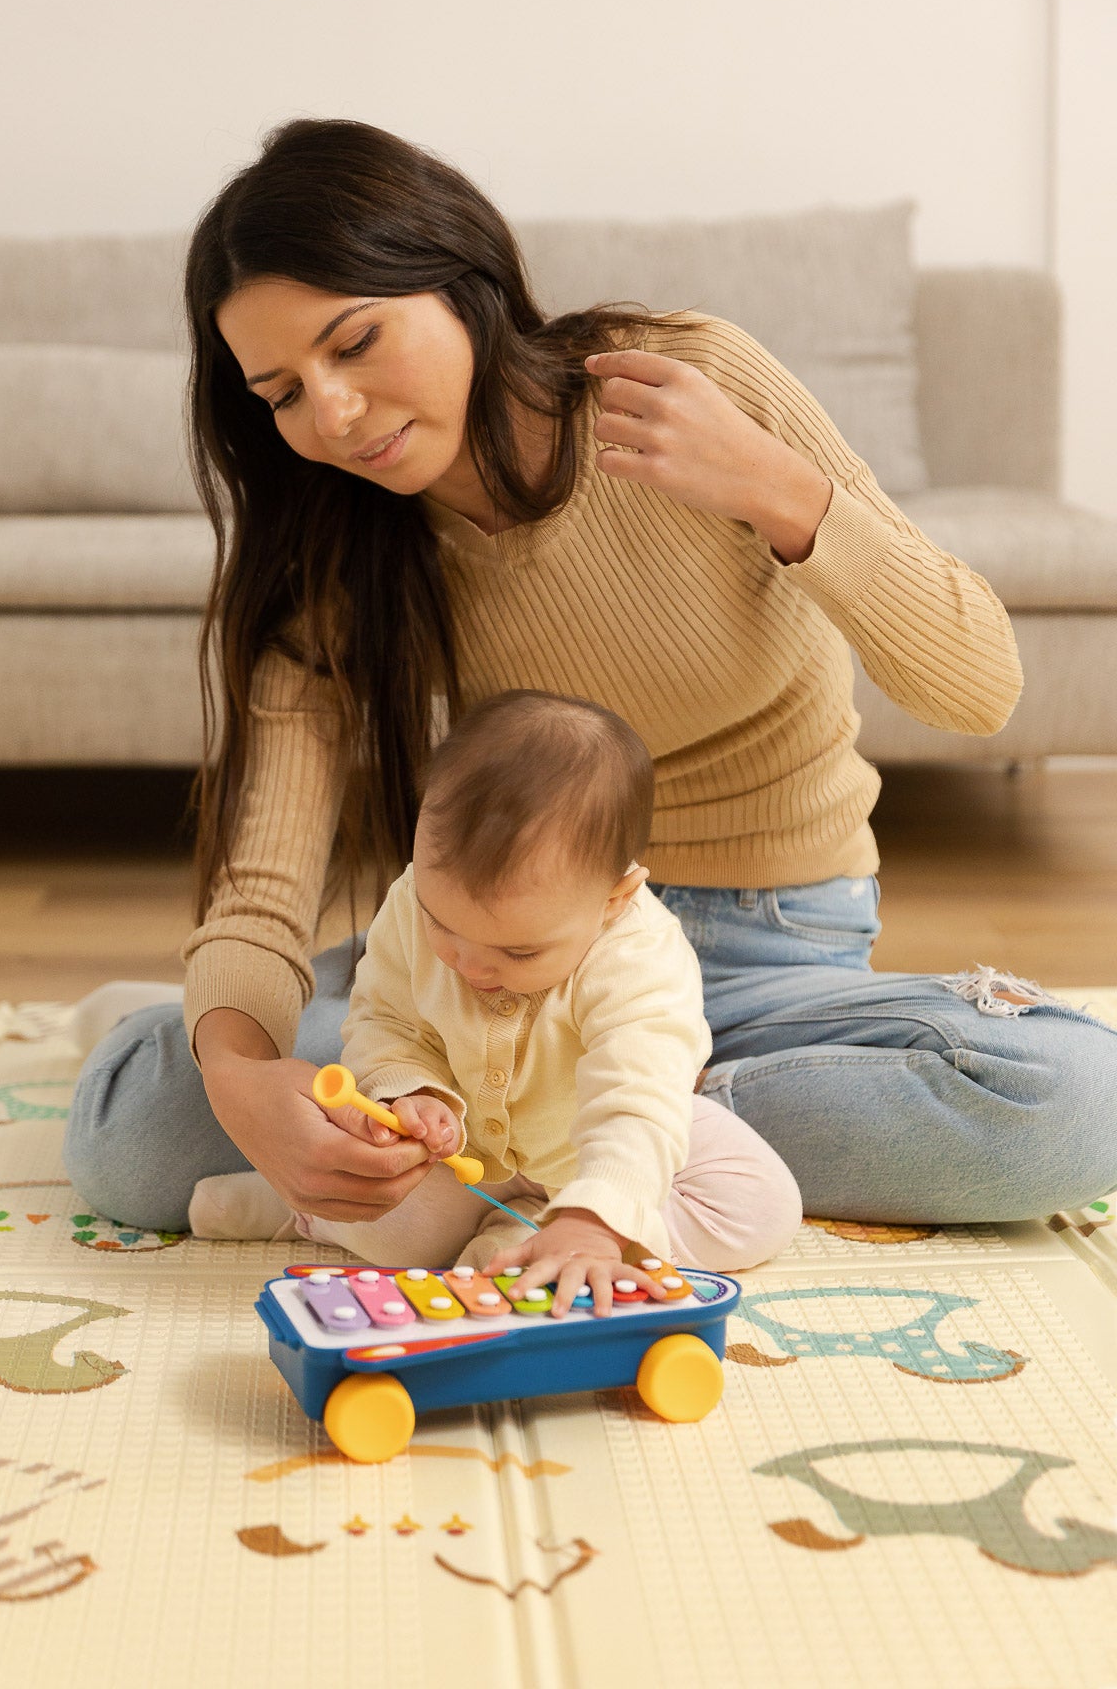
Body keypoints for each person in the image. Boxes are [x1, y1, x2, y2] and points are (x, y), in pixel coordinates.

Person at [63, 117, 1117, 1246]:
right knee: (141, 1133)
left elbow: (979, 688)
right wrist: (237, 1073)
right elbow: (263, 879)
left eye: (356, 342)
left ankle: (551, 1142)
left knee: (1069, 1099)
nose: (331, 414)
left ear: (459, 276)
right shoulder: (334, 551)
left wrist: (783, 491)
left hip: (770, 953)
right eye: (281, 394)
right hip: (489, 963)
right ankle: (589, 1140)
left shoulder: (688, 380)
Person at [202, 688, 804, 1312]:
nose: (468, 966)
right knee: (401, 1228)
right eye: (442, 924)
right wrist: (411, 1091)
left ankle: (545, 1233)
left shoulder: (640, 957)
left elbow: (637, 1104)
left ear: (614, 900)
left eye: (519, 953)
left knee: (760, 1204)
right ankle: (302, 1209)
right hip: (465, 1150)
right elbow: (385, 1019)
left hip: (590, 1137)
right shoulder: (411, 903)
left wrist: (599, 1219)